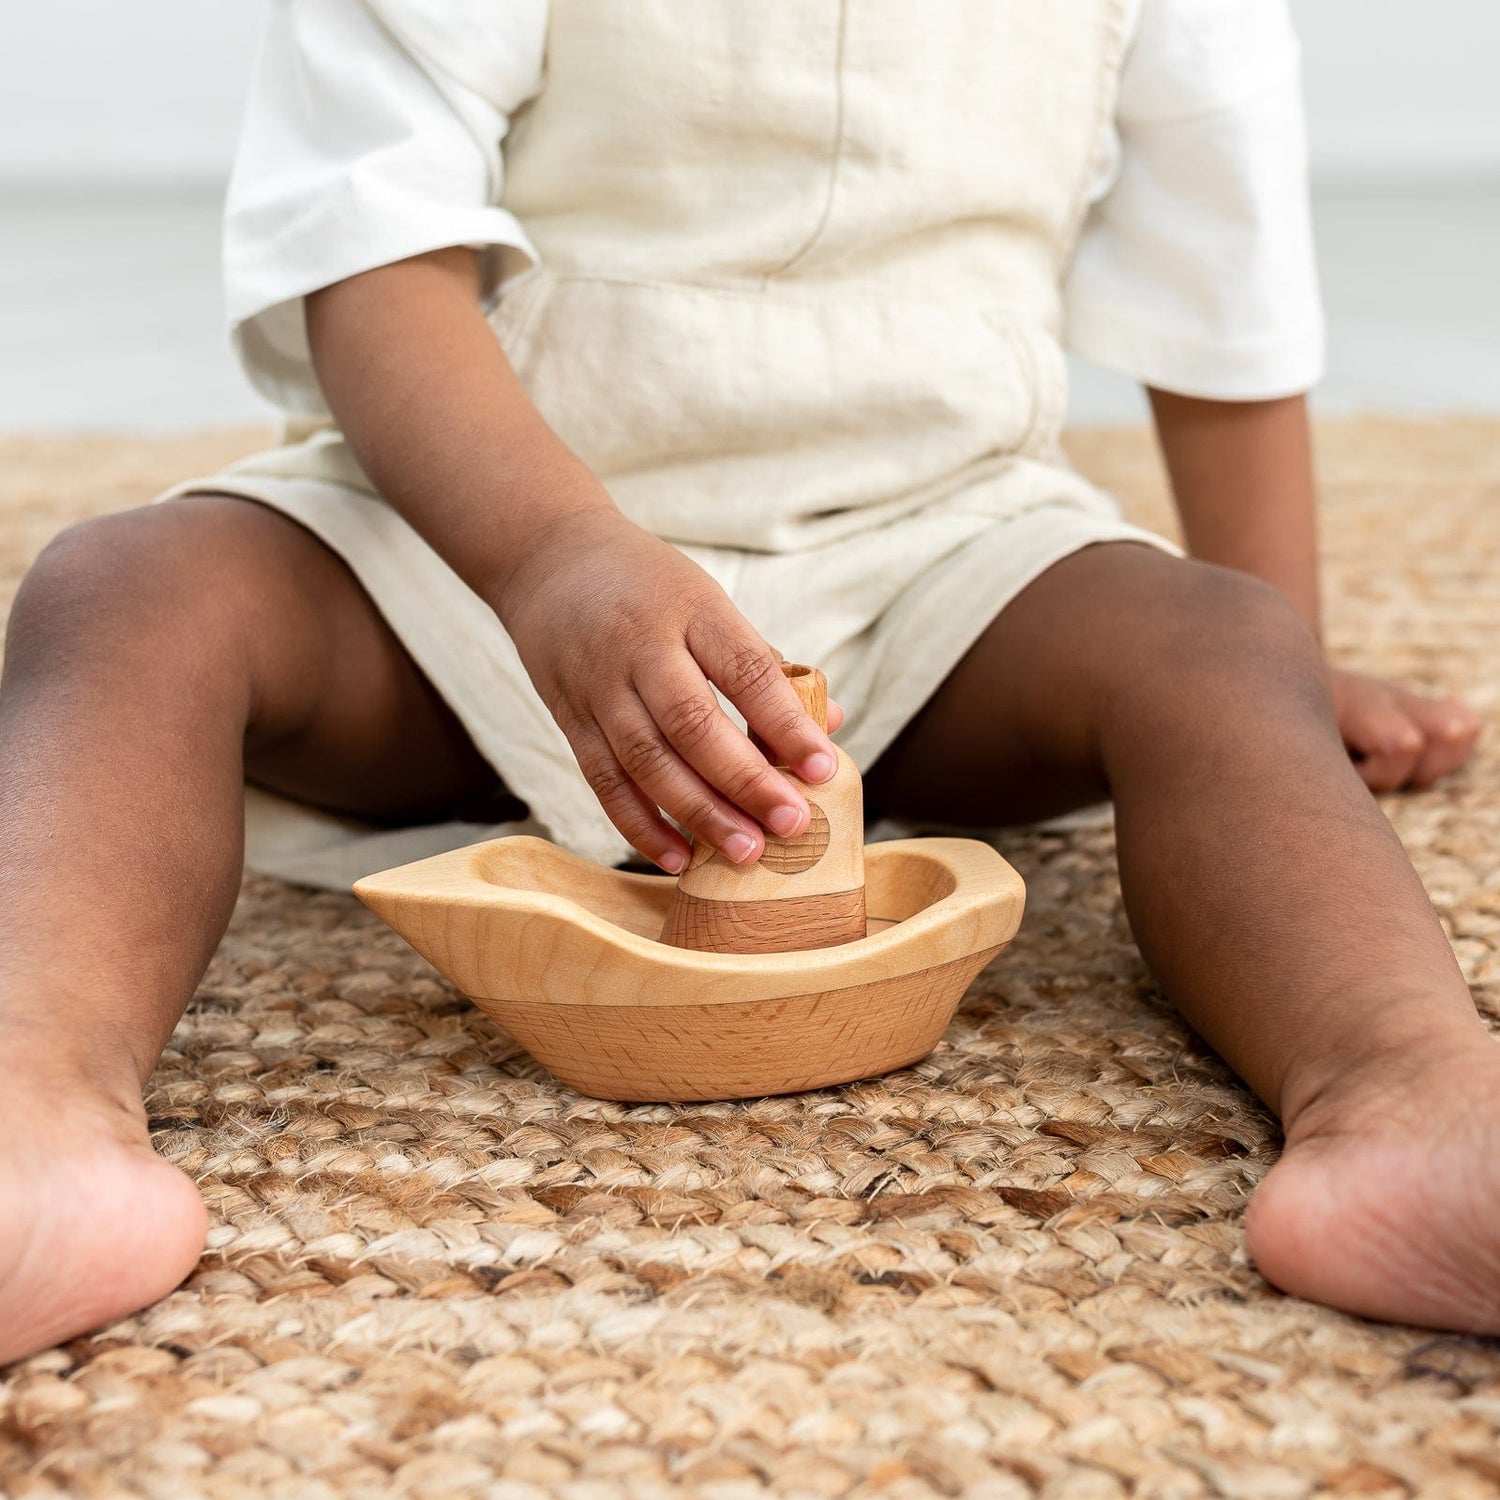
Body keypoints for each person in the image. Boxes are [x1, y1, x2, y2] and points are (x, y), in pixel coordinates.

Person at [0, 0, 1492, 1364]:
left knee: (1215, 639)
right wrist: (553, 557)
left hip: (934, 549)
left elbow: (1221, 289)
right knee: (124, 588)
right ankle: (33, 1110)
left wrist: (1289, 650)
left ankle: (1404, 1096)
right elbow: (371, 246)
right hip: (465, 544)